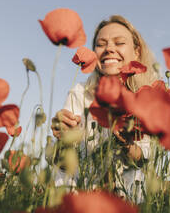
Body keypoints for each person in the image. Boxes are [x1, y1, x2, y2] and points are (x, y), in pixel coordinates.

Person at [48, 15, 159, 202]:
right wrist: (63, 139)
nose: (109, 49)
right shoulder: (80, 93)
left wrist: (126, 143)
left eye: (119, 42)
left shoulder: (147, 98)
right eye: (101, 44)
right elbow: (62, 165)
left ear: (137, 52)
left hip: (128, 199)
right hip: (80, 196)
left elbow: (144, 158)